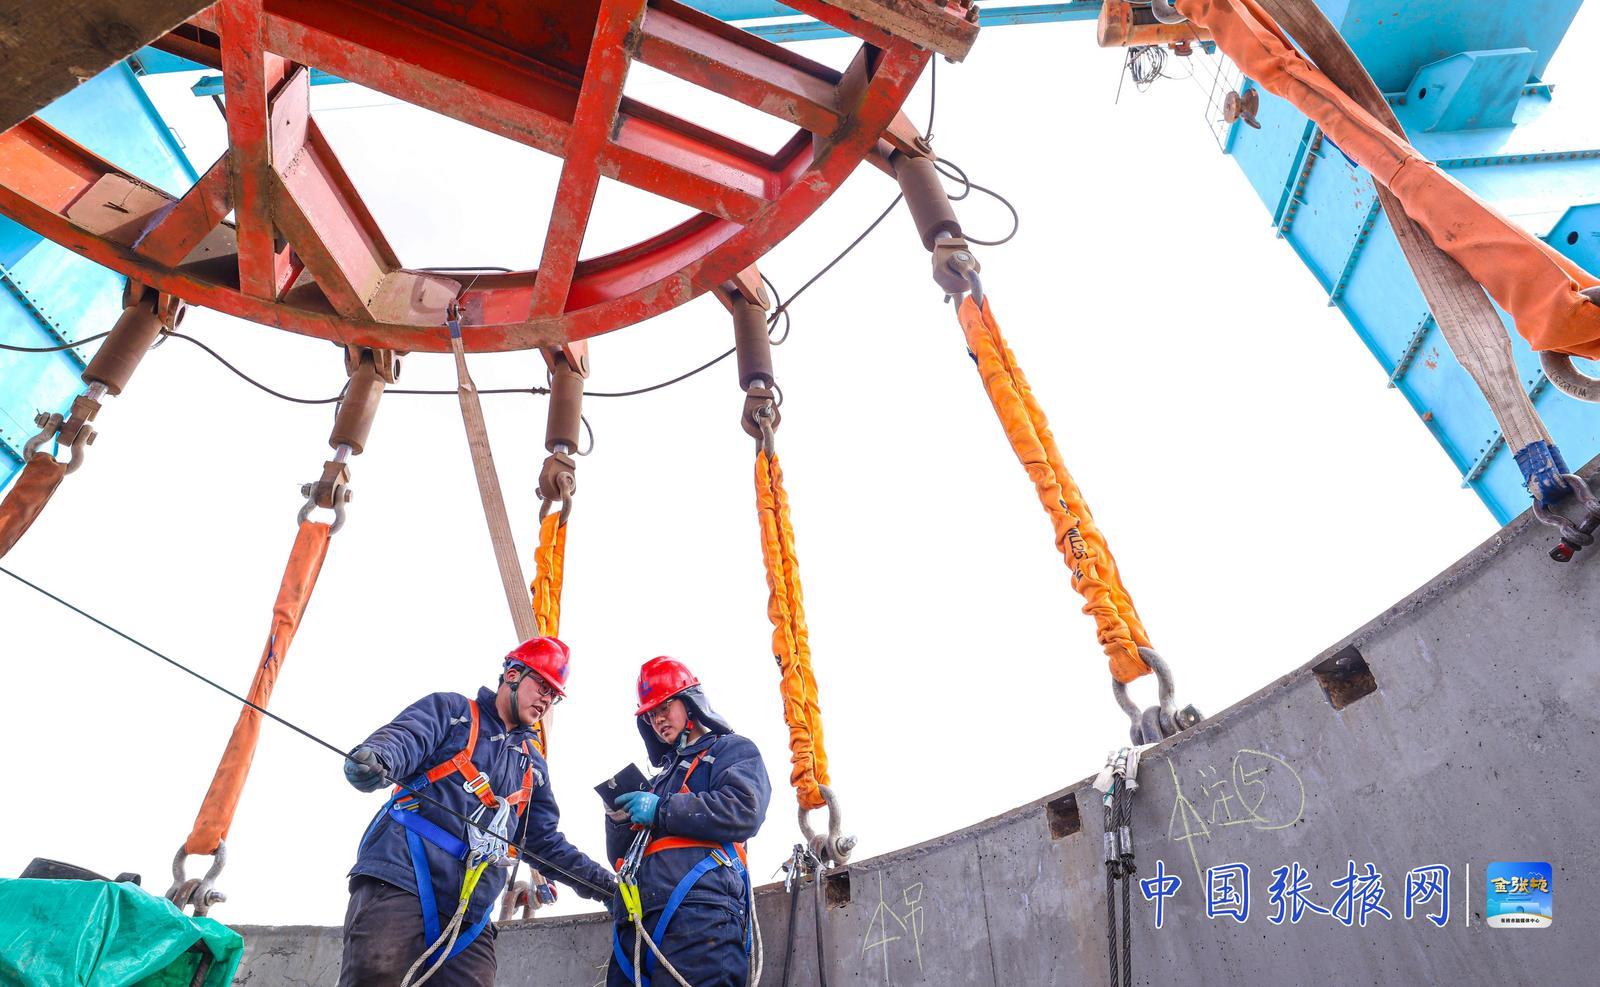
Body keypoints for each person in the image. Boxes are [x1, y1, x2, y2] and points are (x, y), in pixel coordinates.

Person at [339, 636, 617, 986]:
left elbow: (544, 843)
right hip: (401, 880)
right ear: (513, 675)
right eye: (542, 685)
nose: (546, 699)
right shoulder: (453, 713)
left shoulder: (532, 766)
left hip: (469, 913)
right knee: (376, 974)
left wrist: (606, 887)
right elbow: (404, 739)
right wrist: (376, 760)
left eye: (554, 694)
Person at [607, 657, 771, 987]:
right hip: (639, 918)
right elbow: (620, 859)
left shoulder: (732, 751)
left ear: (690, 702)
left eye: (665, 707)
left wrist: (662, 811)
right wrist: (617, 823)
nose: (658, 720)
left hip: (701, 917)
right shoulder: (658, 782)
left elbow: (745, 808)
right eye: (651, 715)